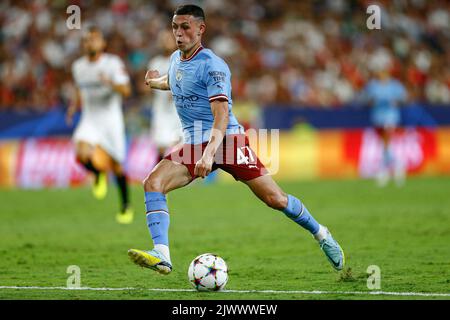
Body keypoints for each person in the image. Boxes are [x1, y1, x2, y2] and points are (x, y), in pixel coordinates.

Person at [128, 5, 344, 274]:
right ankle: (162, 255)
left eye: (185, 27)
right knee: (153, 182)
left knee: (275, 199)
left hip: (228, 142)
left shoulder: (213, 66)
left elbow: (222, 114)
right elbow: (175, 80)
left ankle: (321, 233)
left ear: (200, 29)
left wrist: (210, 154)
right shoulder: (175, 59)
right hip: (194, 143)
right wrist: (155, 82)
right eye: (175, 27)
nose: (179, 33)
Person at [66, 26, 134, 224]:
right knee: (81, 152)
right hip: (90, 118)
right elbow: (80, 89)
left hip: (111, 120)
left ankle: (126, 206)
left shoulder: (112, 64)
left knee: (118, 167)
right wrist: (73, 106)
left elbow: (127, 91)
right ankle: (98, 174)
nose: (90, 43)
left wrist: (110, 83)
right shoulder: (78, 66)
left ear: (103, 43)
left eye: (94, 39)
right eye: (87, 40)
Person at [363, 63, 408, 187]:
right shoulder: (373, 86)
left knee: (386, 140)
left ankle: (386, 170)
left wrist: (396, 101)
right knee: (384, 144)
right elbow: (367, 100)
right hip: (377, 118)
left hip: (390, 117)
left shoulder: (395, 85)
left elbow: (403, 98)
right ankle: (395, 166)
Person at [147, 30, 183, 161]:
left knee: (181, 147)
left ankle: (178, 176)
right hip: (161, 111)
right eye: (162, 40)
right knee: (161, 147)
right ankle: (158, 176)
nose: (165, 42)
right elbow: (149, 85)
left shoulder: (181, 59)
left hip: (179, 111)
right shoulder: (154, 63)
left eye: (168, 39)